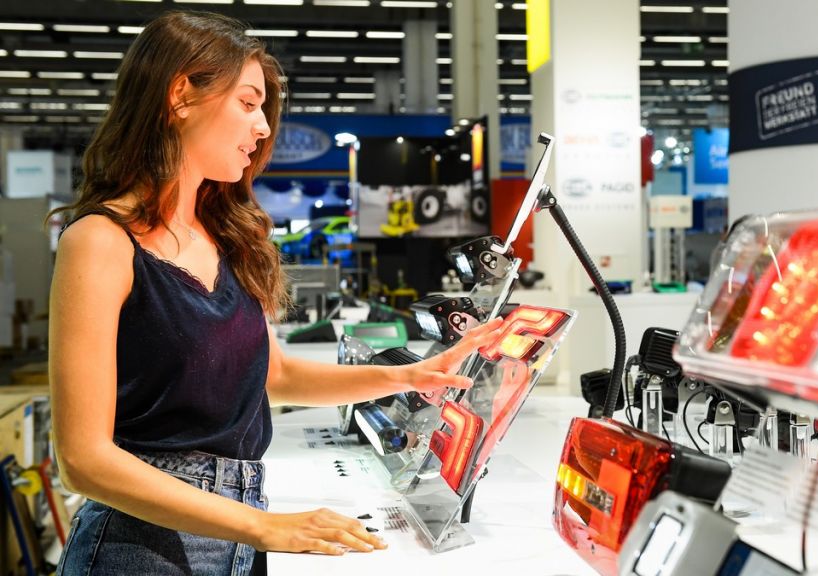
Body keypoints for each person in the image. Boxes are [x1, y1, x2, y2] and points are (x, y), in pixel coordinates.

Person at [47, 10, 503, 576]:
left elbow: (275, 375)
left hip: (241, 526)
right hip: (140, 546)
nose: (263, 128)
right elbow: (83, 460)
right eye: (247, 103)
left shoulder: (226, 238)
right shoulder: (101, 241)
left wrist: (410, 376)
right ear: (181, 95)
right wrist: (266, 527)